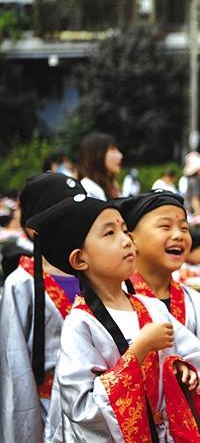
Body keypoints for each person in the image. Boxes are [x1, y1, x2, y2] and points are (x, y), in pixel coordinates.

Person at [30, 196, 200, 441]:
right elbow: (82, 407)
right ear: (79, 259)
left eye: (125, 230)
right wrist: (139, 350)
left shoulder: (151, 307)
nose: (126, 241)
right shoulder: (80, 324)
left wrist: (180, 367)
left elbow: (193, 356)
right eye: (109, 233)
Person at [115, 191, 200, 442]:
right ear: (130, 238)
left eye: (184, 227)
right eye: (165, 226)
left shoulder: (199, 305)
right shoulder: (115, 303)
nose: (179, 235)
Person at [0, 173, 86, 442]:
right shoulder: (21, 284)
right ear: (35, 228)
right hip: (49, 410)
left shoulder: (97, 274)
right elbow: (15, 365)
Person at [77, 132, 123, 200]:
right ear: (96, 155)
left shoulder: (112, 188)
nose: (120, 155)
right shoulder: (89, 189)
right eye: (112, 149)